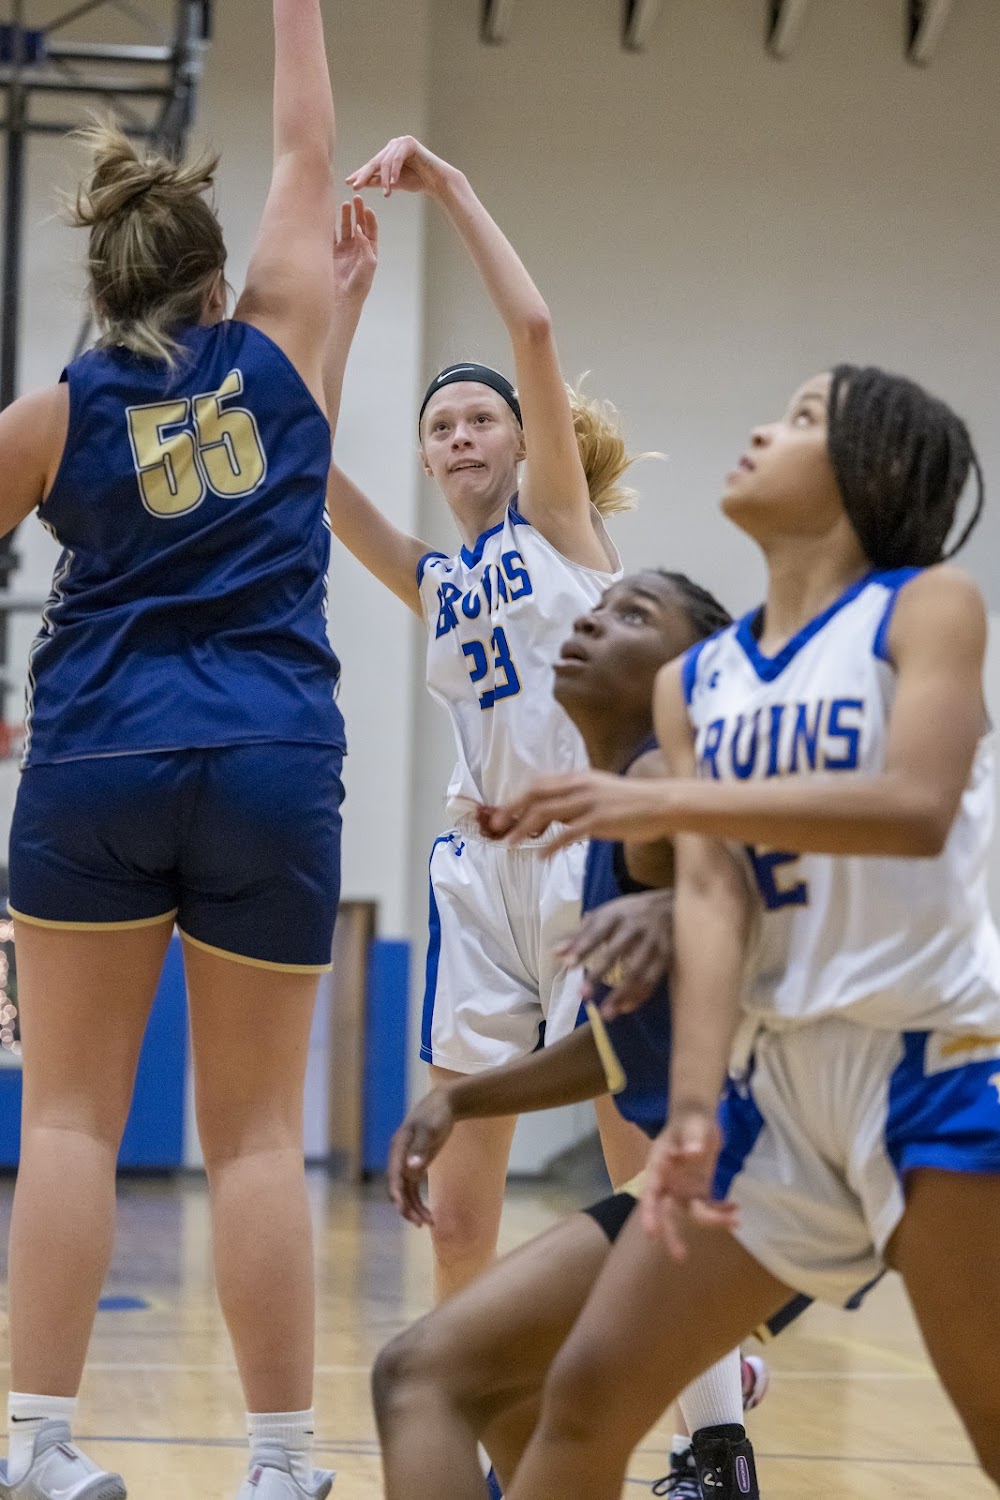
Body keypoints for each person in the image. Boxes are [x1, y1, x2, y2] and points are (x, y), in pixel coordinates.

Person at [484, 365, 1000, 1497]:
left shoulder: (926, 607)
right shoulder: (701, 680)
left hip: (931, 1065)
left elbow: (916, 808)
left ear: (875, 470)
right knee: (586, 1396)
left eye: (805, 419)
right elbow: (713, 897)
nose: (766, 429)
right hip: (774, 1093)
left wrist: (671, 801)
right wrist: (693, 1107)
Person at [0, 3, 344, 1497]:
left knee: (71, 1120)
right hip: (272, 752)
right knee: (256, 1138)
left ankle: (37, 1448)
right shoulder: (285, 347)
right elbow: (307, 150)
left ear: (102, 287)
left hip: (95, 760)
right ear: (218, 281)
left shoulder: (49, 414)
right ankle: (279, 1464)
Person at [325, 144, 657, 1308]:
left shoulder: (558, 528)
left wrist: (452, 189)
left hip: (586, 860)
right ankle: (468, 1415)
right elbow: (306, 465)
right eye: (441, 426)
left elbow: (534, 330)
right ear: (425, 457)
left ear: (522, 443)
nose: (461, 435)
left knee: (634, 1175)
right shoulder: (432, 578)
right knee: (457, 1215)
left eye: (481, 419)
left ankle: (709, 1392)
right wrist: (345, 308)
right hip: (477, 878)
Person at [373, 569, 777, 1500]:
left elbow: (765, 879)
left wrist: (688, 906)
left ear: (687, 674)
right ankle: (721, 1464)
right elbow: (619, 1046)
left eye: (631, 614)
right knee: (486, 1382)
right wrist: (463, 1100)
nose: (591, 623)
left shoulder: (666, 781)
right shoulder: (616, 809)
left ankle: (720, 1451)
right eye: (594, 610)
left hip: (790, 1161)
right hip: (754, 1172)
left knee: (434, 1376)